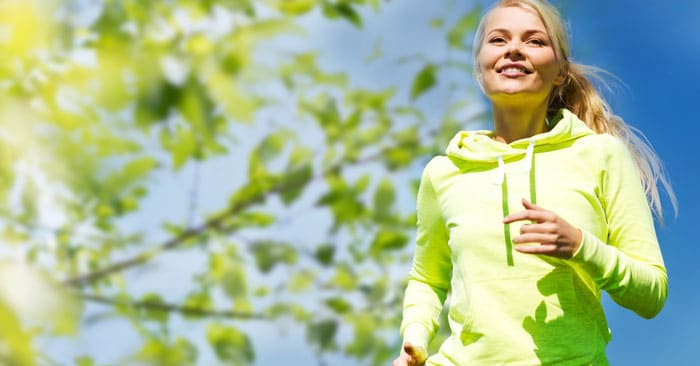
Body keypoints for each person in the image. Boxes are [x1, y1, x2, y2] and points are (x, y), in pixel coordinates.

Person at [392, 0, 676, 365]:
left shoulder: (601, 156)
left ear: (560, 70)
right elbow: (428, 279)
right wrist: (413, 340)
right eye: (498, 39)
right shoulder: (444, 172)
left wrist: (580, 247)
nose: (514, 49)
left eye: (535, 41)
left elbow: (651, 294)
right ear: (479, 68)